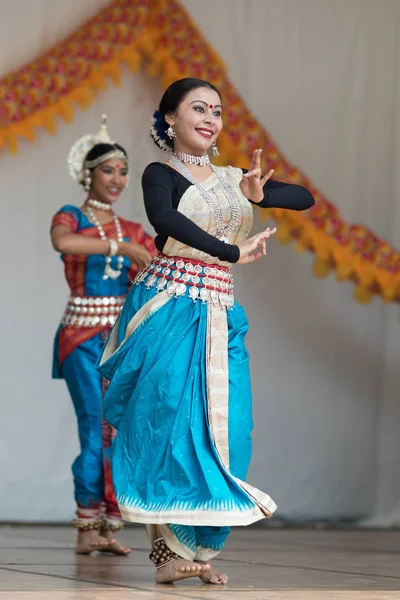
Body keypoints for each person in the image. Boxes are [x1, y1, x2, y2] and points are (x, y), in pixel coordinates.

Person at [98, 79, 315, 583]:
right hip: (168, 306)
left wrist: (259, 193)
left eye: (216, 111)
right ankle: (165, 558)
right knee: (164, 426)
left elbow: (302, 198)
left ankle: (194, 546)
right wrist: (232, 251)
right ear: (169, 117)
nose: (210, 118)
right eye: (198, 108)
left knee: (228, 431)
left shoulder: (233, 177)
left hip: (219, 313)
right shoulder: (160, 172)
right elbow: (164, 218)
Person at [50, 116, 156, 555]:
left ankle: (107, 526)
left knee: (116, 429)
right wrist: (121, 250)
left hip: (120, 343)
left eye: (123, 171)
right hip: (80, 336)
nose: (117, 179)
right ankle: (85, 525)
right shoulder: (71, 217)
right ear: (87, 174)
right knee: (94, 425)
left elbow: (156, 267)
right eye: (108, 170)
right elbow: (64, 244)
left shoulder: (133, 230)